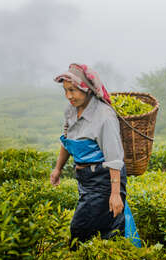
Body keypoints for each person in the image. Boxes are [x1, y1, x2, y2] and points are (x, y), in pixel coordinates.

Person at [50, 63, 127, 248]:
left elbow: (115, 158)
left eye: (73, 90)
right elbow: (67, 140)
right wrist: (58, 168)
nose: (69, 96)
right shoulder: (71, 110)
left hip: (104, 178)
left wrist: (115, 194)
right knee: (105, 227)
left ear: (87, 89)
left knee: (80, 228)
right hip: (85, 178)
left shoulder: (104, 116)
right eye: (65, 90)